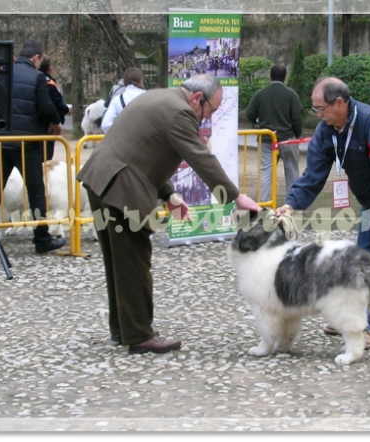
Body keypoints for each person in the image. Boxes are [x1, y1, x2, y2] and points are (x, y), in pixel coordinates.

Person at [76, 74, 260, 355]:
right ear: (198, 99)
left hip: (101, 177)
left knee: (118, 260)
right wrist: (235, 197)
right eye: (210, 111)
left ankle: (122, 328)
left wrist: (167, 194)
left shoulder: (158, 97)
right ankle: (139, 335)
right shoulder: (180, 112)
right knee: (134, 260)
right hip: (120, 185)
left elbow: (141, 150)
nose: (207, 117)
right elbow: (201, 158)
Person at [275, 77, 370, 349]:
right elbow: (313, 174)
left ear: (339, 103)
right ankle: (353, 319)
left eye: (321, 108)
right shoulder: (327, 130)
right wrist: (291, 204)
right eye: (314, 108)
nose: (318, 114)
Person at [0, 40, 66, 255]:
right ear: (36, 58)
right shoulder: (37, 77)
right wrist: (56, 123)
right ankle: (41, 239)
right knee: (36, 192)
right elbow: (46, 107)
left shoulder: (3, 74)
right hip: (26, 144)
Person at [246, 65, 303, 203]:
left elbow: (249, 114)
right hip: (288, 139)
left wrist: (259, 123)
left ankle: (264, 204)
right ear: (285, 77)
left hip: (267, 139)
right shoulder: (291, 94)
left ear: (270, 76)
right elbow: (297, 118)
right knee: (292, 171)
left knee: (266, 172)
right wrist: (296, 134)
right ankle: (291, 204)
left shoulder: (260, 94)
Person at [38, 55, 73, 160]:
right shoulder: (48, 83)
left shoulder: (38, 79)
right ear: (48, 67)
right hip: (48, 125)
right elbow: (55, 103)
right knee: (46, 155)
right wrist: (66, 109)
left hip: (40, 124)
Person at [101, 67, 146, 134]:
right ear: (140, 81)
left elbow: (105, 125)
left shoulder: (117, 99)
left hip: (124, 141)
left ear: (124, 82)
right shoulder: (148, 96)